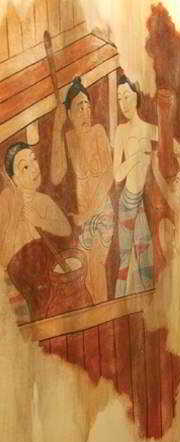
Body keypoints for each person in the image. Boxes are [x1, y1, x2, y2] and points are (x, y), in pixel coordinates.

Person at [112, 74, 180, 297]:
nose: (123, 103)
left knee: (145, 261)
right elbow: (117, 175)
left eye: (127, 96)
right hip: (127, 202)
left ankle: (148, 306)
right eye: (119, 98)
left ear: (137, 97)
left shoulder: (149, 129)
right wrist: (136, 157)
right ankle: (119, 303)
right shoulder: (121, 131)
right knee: (124, 259)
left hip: (142, 205)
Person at [50, 77, 114, 304]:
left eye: (87, 105)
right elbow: (56, 175)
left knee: (96, 266)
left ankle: (104, 315)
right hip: (84, 220)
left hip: (102, 213)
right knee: (85, 274)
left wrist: (86, 215)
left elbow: (108, 178)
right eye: (79, 106)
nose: (85, 111)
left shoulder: (98, 132)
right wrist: (57, 129)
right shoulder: (68, 138)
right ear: (68, 114)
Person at [0, 143, 72, 321]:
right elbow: (3, 255)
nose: (34, 168)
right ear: (14, 179)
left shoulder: (44, 200)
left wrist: (40, 220)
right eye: (25, 167)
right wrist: (16, 212)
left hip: (49, 278)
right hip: (20, 282)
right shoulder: (6, 200)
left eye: (34, 160)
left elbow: (66, 228)